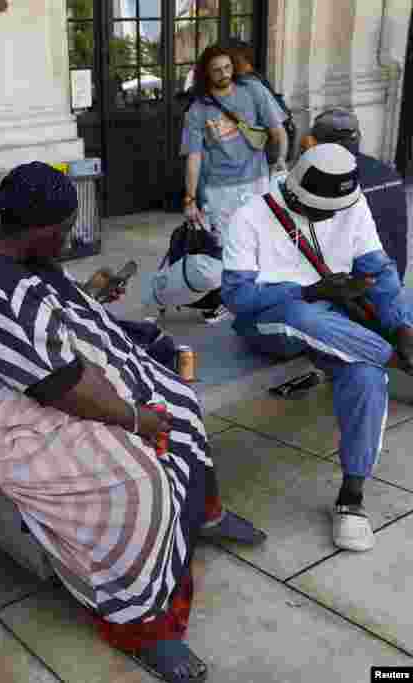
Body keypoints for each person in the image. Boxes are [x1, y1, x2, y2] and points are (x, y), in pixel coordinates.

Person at [0, 162, 265, 683]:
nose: (68, 239)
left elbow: (49, 326)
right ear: (40, 230)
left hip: (37, 388)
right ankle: (143, 625)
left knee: (175, 399)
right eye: (64, 230)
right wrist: (134, 419)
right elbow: (64, 387)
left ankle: (202, 513)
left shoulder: (11, 249)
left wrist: (88, 293)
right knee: (136, 476)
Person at [221, 143, 413, 552]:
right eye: (323, 210)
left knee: (365, 375)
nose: (334, 217)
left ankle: (352, 499)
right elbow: (236, 298)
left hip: (334, 324)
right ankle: (395, 359)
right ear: (295, 194)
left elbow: (379, 270)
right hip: (271, 320)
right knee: (302, 316)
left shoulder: (350, 203)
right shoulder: (249, 217)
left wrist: (403, 327)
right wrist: (308, 289)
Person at [182, 44, 290, 324]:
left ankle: (261, 294)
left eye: (227, 67)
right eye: (217, 70)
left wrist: (281, 158)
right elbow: (194, 157)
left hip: (256, 179)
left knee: (261, 240)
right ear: (206, 74)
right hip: (219, 188)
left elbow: (278, 128)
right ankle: (229, 299)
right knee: (227, 248)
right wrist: (190, 198)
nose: (224, 74)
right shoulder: (198, 110)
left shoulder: (253, 91)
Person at [301, 108, 408, 280]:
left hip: (357, 289)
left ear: (316, 143)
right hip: (394, 275)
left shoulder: (329, 182)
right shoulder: (388, 173)